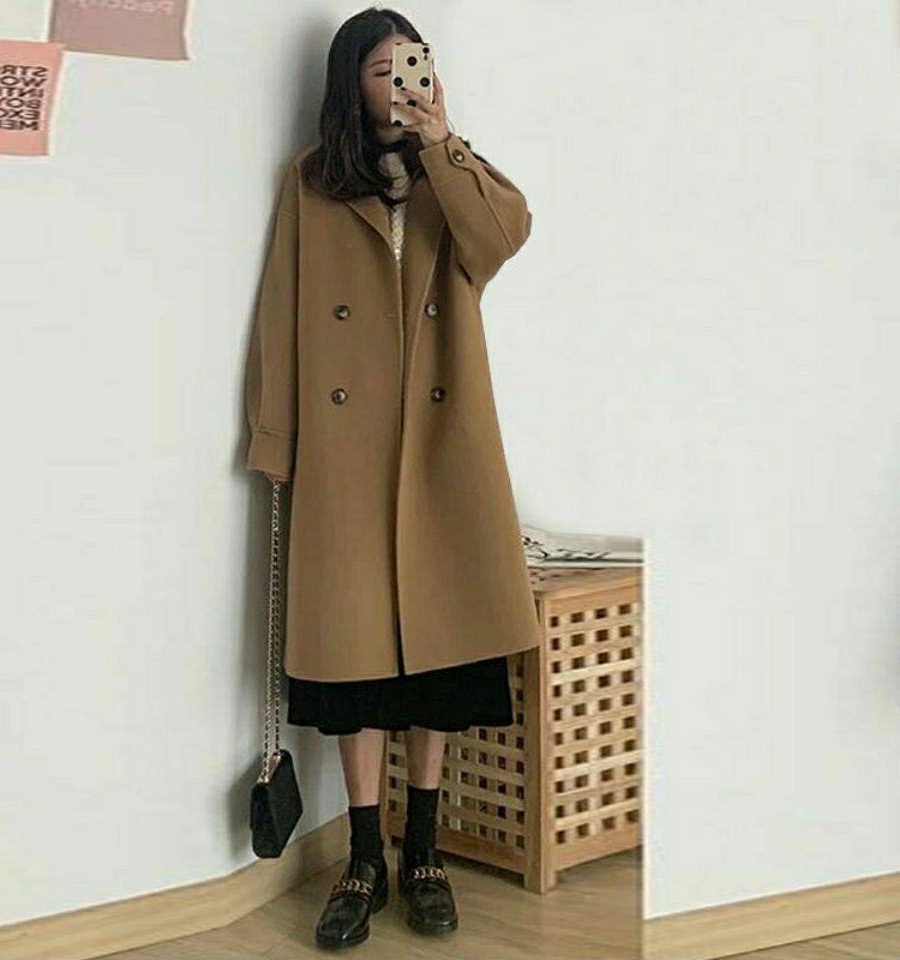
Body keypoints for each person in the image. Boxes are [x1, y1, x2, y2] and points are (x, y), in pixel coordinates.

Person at [244, 6, 538, 949]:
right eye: (383, 69)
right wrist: (275, 438)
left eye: (417, 62)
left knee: (440, 663)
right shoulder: (311, 182)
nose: (405, 81)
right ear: (350, 84)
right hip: (346, 452)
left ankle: (425, 854)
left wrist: (444, 143)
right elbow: (282, 311)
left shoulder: (456, 173)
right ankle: (364, 859)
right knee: (356, 665)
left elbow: (502, 239)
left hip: (442, 448)